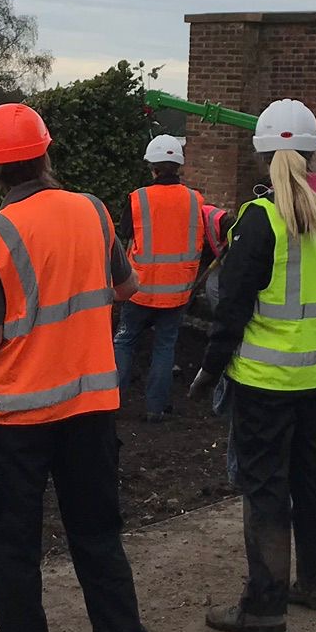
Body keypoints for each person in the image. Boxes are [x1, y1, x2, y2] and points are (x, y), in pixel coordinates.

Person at [0, 102, 153, 632]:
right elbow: (129, 288)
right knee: (98, 536)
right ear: (47, 155)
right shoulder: (93, 211)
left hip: (15, 416)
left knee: (13, 547)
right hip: (90, 408)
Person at [188, 99, 316, 632]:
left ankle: (264, 606)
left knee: (266, 488)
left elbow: (231, 307)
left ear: (262, 153)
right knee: (315, 478)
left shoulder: (259, 220)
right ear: (313, 152)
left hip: (263, 381)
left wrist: (208, 371)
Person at [113, 134, 209, 422]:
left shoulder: (137, 198)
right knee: (165, 346)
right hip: (178, 292)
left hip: (139, 289)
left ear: (151, 166)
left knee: (125, 340)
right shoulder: (196, 200)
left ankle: (110, 404)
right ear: (178, 165)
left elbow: (125, 236)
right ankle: (156, 408)